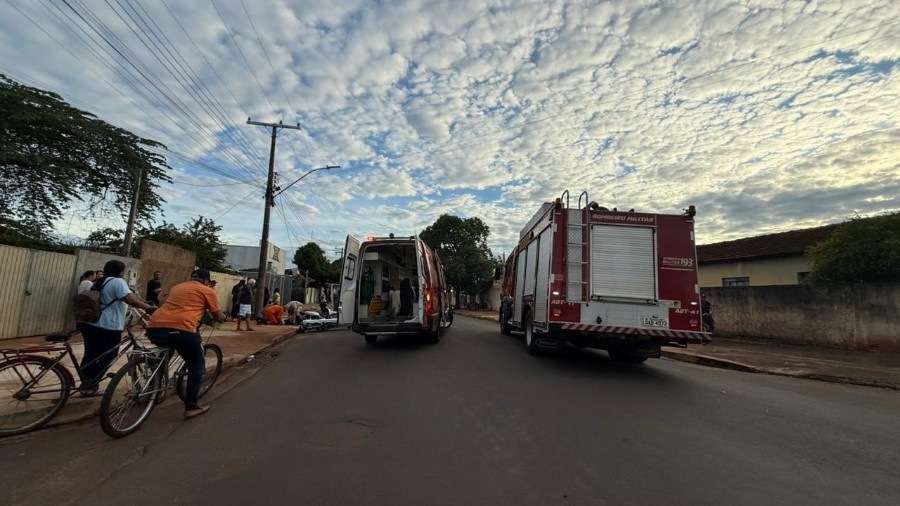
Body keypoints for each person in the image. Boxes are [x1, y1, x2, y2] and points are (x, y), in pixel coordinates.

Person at [145, 269, 225, 420]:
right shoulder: (207, 290)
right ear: (207, 281)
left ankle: (153, 388)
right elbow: (216, 314)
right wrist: (222, 318)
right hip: (182, 328)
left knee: (165, 353)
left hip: (154, 326)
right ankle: (191, 407)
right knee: (196, 364)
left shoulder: (177, 287)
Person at [78, 260, 156, 396]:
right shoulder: (118, 282)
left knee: (91, 355)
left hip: (91, 324)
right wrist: (149, 307)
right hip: (109, 326)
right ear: (121, 272)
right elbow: (130, 299)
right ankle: (91, 384)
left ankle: (85, 384)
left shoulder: (98, 282)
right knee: (109, 356)